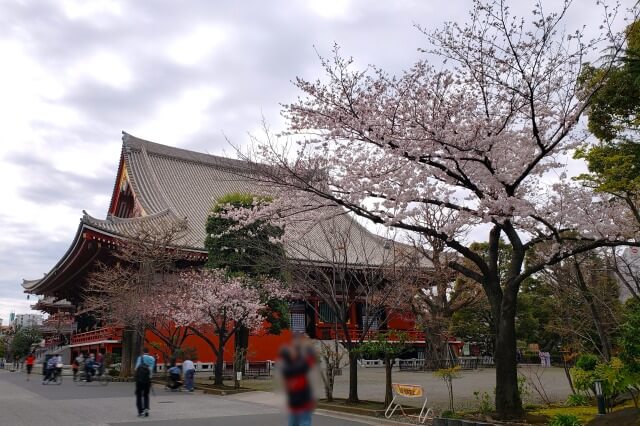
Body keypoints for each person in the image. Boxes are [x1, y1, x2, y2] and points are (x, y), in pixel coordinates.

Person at [280, 334, 316, 426]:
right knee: (304, 422)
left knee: (294, 423)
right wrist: (308, 346)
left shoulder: (287, 369)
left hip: (295, 404)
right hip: (302, 403)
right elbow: (309, 361)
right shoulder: (298, 367)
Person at [134, 348, 155, 418]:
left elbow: (136, 368)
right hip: (148, 380)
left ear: (143, 352)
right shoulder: (152, 359)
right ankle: (146, 409)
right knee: (146, 395)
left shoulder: (140, 358)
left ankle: (140, 411)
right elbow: (151, 369)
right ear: (148, 352)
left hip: (139, 380)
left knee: (139, 395)